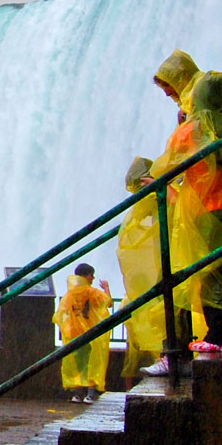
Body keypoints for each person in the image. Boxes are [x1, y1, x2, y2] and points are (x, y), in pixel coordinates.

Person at [150, 72, 222, 353]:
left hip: (205, 210)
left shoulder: (191, 131)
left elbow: (164, 168)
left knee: (210, 273)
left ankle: (217, 336)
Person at [115, 157, 165, 382]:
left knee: (169, 301)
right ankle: (171, 353)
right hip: (165, 261)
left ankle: (172, 354)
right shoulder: (159, 195)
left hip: (169, 260)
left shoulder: (160, 193)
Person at [55, 264, 112, 404]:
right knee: (91, 363)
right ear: (86, 275)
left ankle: (77, 394)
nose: (93, 278)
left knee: (78, 364)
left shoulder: (70, 294)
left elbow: (61, 314)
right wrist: (106, 288)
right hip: (91, 333)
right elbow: (108, 303)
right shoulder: (92, 292)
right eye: (92, 275)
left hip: (74, 334)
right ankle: (90, 395)